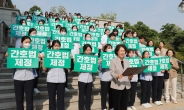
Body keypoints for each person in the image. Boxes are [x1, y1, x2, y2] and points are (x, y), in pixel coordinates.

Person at [5, 36, 38, 110]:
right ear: (21, 43)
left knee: (30, 99)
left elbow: (36, 65)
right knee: (19, 99)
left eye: (29, 42)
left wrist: (39, 57)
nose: (27, 44)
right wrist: (8, 56)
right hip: (18, 77)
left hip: (30, 77)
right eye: (26, 42)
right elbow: (11, 62)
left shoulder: (33, 53)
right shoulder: (15, 52)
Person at [42, 40, 66, 110]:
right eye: (55, 46)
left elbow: (68, 68)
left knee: (61, 99)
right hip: (51, 79)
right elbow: (44, 69)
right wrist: (44, 59)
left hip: (61, 79)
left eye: (58, 46)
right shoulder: (48, 55)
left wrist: (69, 59)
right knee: (51, 98)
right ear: (52, 47)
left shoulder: (63, 55)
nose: (57, 47)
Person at [110, 44, 133, 110]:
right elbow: (111, 72)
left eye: (123, 51)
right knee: (117, 105)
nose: (122, 52)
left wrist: (130, 77)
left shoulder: (127, 61)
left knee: (124, 104)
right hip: (117, 85)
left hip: (126, 85)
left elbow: (128, 72)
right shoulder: (113, 61)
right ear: (117, 51)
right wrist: (116, 76)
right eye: (121, 51)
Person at [78, 44, 93, 110]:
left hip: (89, 79)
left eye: (90, 50)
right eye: (87, 50)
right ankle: (81, 108)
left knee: (88, 95)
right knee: (81, 95)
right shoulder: (80, 58)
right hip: (82, 79)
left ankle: (87, 107)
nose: (88, 51)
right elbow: (77, 69)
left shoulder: (93, 59)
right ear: (84, 51)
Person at [99, 44, 114, 110]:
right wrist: (100, 63)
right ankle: (104, 107)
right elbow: (100, 69)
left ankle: (111, 106)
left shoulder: (114, 57)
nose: (109, 49)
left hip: (112, 78)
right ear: (105, 49)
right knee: (104, 94)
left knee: (112, 94)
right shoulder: (102, 57)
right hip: (104, 78)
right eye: (108, 48)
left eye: (110, 48)